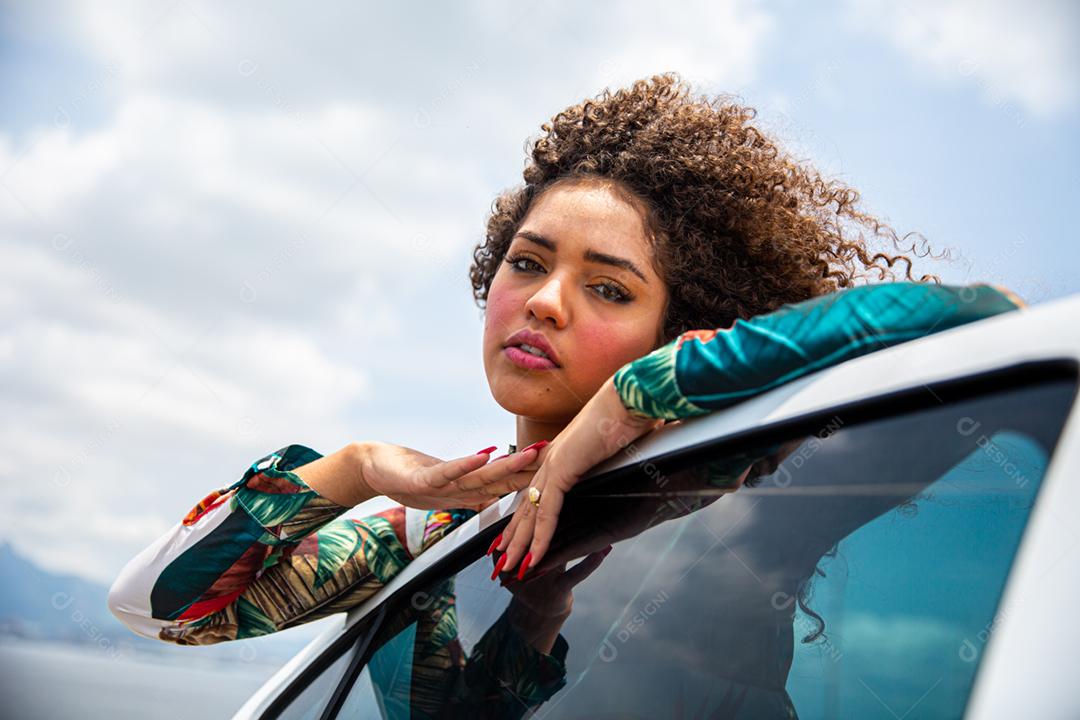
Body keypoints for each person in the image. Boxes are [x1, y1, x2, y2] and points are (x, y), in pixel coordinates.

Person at [108, 72, 1025, 712]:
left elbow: (980, 317)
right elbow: (155, 607)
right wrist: (356, 470)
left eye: (609, 288)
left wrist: (638, 396)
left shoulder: (738, 478)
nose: (544, 301)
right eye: (528, 263)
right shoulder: (423, 540)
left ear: (678, 330)